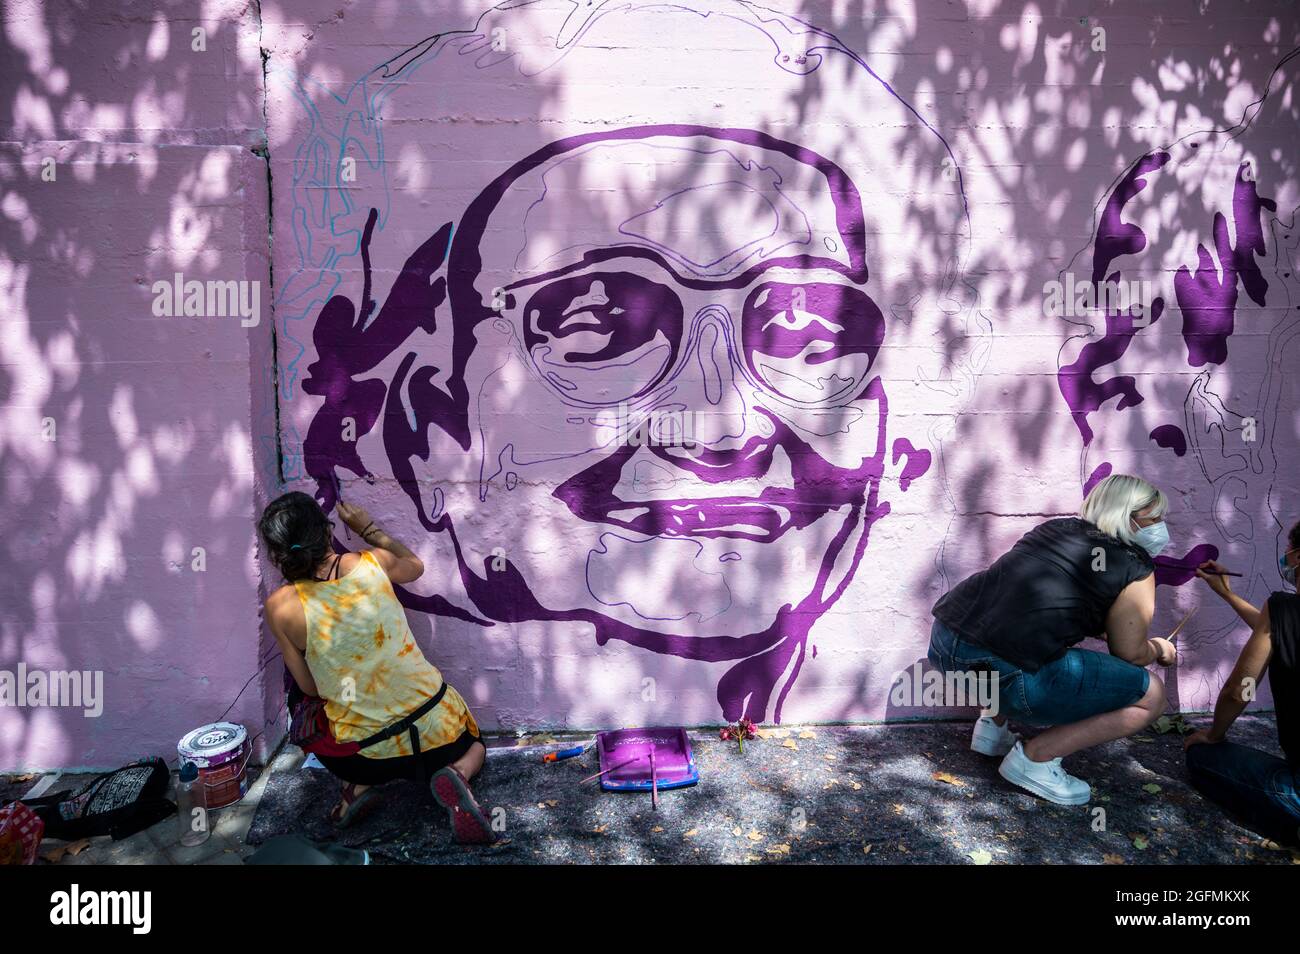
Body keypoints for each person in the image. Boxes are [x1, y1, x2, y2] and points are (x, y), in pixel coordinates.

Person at [257, 491, 494, 843]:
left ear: (279, 555)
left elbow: (310, 688)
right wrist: (367, 527)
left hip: (363, 754)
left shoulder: (280, 607)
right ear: (326, 533)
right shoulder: (372, 563)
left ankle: (357, 785)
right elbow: (415, 566)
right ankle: (456, 773)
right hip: (437, 735)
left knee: (303, 704)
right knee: (476, 742)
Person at [928, 474, 1176, 805]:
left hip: (944, 644)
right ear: (1128, 518)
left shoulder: (1055, 529)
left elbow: (1036, 604)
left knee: (1019, 632)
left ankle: (991, 729)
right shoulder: (1136, 565)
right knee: (1152, 695)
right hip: (1007, 672)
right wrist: (1159, 647)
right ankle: (1035, 759)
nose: (1161, 525)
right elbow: (1129, 652)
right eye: (1154, 517)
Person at [1183, 520, 1300, 845]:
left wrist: (1213, 734)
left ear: (1298, 558)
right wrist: (1228, 595)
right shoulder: (1281, 615)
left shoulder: (1283, 609)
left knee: (1201, 758)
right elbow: (1274, 630)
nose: (1285, 557)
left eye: (1289, 551)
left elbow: (1239, 690)